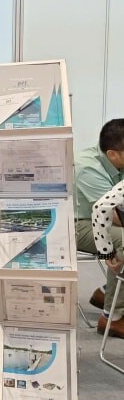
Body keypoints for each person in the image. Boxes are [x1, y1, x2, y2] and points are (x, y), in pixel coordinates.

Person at [74, 119, 124, 336]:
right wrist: (107, 252)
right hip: (78, 224)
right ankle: (112, 318)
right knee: (123, 239)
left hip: (105, 217)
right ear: (112, 154)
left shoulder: (118, 161)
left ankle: (107, 292)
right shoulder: (87, 168)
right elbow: (110, 214)